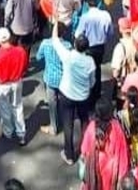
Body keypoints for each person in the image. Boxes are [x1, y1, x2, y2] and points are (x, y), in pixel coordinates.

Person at [52, 17, 95, 166]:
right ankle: (86, 149)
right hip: (83, 96)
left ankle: (69, 155)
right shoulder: (90, 62)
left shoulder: (68, 56)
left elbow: (55, 41)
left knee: (68, 123)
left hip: (67, 95)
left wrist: (55, 25)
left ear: (75, 44)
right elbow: (92, 81)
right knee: (84, 121)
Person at [0, 28, 28, 146]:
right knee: (18, 107)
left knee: (5, 109)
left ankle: (8, 131)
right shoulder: (21, 51)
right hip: (17, 82)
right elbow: (25, 67)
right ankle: (21, 134)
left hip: (3, 85)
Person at [79, 100, 130, 189]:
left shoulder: (92, 127)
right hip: (111, 171)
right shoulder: (116, 128)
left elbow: (84, 150)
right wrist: (122, 174)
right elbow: (123, 154)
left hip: (94, 168)